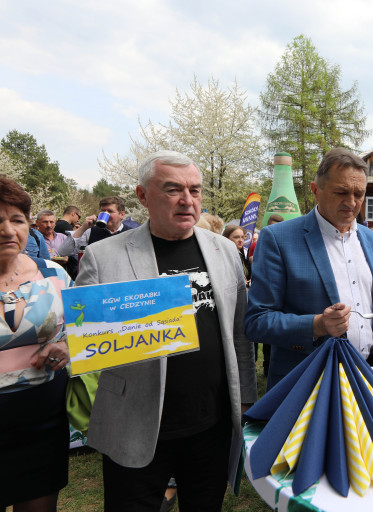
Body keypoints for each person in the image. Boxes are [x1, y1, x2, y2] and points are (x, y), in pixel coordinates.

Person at [76, 150, 258, 511]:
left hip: (211, 424)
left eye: (195, 190)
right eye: (173, 190)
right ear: (143, 196)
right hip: (136, 421)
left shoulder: (224, 251)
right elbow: (85, 334)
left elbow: (239, 334)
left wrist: (246, 397)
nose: (187, 201)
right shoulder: (102, 255)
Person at [245, 148, 373, 390]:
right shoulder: (278, 239)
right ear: (315, 191)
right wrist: (318, 325)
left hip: (367, 379)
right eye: (341, 192)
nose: (352, 202)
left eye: (359, 194)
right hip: (307, 386)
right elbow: (257, 322)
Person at [0, 177, 72, 511]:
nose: (7, 230)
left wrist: (68, 348)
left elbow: (85, 332)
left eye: (16, 219)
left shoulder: (54, 274)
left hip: (42, 425)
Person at [58, 196, 133, 256]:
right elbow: (63, 252)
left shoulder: (131, 233)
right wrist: (83, 228)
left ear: (122, 215)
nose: (106, 214)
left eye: (110, 211)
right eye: (102, 211)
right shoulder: (90, 231)